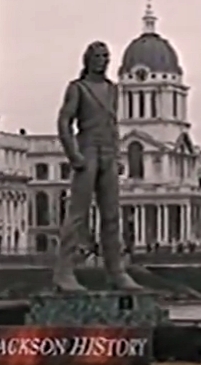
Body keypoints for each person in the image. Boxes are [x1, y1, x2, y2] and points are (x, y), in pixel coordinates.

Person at [53, 41, 142, 292]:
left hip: (108, 153)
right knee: (78, 215)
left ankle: (116, 271)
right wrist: (73, 155)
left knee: (112, 215)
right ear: (88, 60)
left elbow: (112, 124)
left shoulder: (112, 89)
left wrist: (117, 155)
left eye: (106, 56)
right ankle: (64, 272)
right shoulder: (78, 88)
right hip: (87, 151)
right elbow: (64, 123)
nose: (103, 60)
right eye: (98, 56)